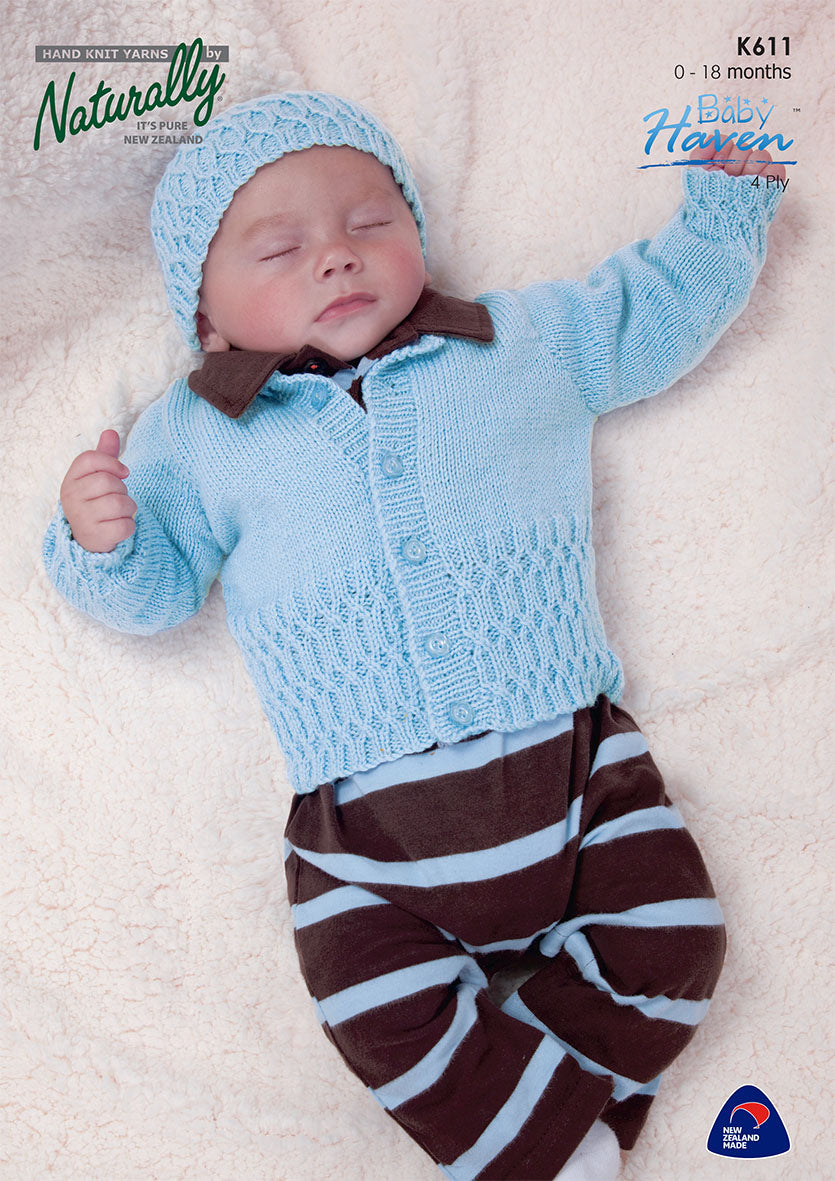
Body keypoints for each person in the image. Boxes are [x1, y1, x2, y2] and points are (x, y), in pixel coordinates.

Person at [43, 91, 785, 1179]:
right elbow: (156, 592)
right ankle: (557, 1145)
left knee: (677, 934)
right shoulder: (197, 431)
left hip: (577, 770)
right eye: (281, 248)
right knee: (370, 1008)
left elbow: (649, 312)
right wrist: (102, 540)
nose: (336, 256)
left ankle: (525, 1122)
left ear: (417, 236)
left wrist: (721, 215)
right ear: (203, 314)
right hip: (362, 841)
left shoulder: (513, 340)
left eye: (370, 222)